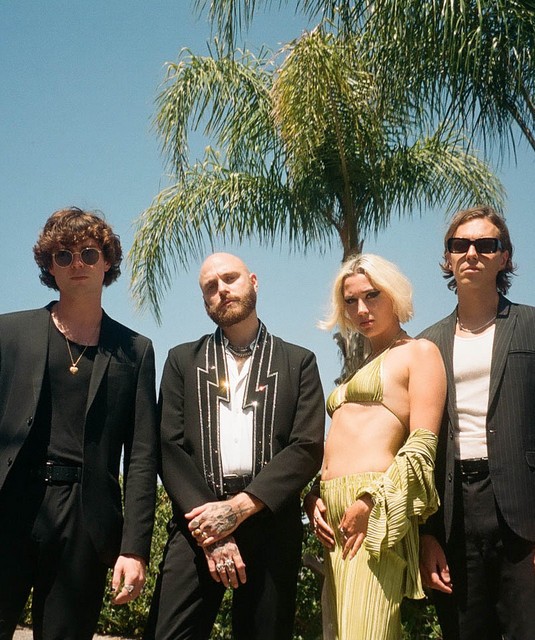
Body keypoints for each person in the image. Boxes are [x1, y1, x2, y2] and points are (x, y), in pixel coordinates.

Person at [144, 252, 325, 640]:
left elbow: (307, 446)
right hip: (197, 522)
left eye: (230, 278)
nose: (222, 290)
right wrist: (213, 527)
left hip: (271, 521)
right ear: (204, 300)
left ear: (253, 281)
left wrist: (239, 509)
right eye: (210, 286)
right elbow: (169, 446)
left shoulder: (298, 362)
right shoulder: (182, 361)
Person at [0, 207, 158, 640]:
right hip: (11, 504)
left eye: (88, 254)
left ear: (106, 262)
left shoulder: (135, 350)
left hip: (86, 521)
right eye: (63, 256)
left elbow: (142, 457)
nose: (77, 264)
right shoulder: (9, 334)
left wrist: (134, 548)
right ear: (49, 267)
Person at [304, 253, 446, 640]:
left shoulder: (420, 352)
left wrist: (371, 501)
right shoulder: (363, 364)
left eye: (372, 295)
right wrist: (313, 496)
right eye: (351, 301)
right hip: (333, 517)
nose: (361, 310)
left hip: (374, 510)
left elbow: (422, 445)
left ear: (394, 294)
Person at [419, 205, 535, 639]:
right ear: (448, 257)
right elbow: (420, 442)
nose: (472, 253)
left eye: (486, 245)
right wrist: (427, 535)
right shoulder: (427, 344)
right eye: (460, 245)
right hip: (453, 513)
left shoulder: (531, 326)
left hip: (523, 511)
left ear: (504, 257)